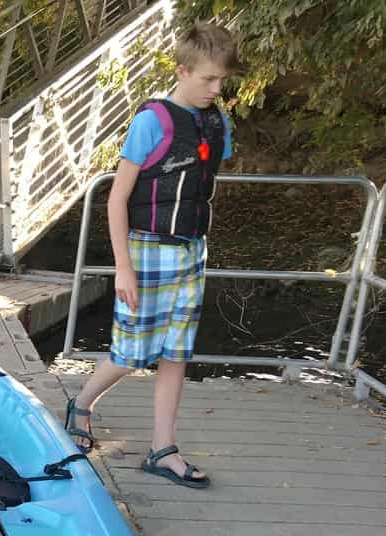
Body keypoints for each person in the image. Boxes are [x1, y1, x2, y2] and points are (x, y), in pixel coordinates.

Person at [64, 22, 243, 489]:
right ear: (182, 71)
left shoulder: (216, 122)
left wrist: (199, 240)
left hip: (191, 254)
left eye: (221, 79)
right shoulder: (152, 122)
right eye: (207, 79)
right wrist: (123, 266)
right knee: (131, 352)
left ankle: (163, 449)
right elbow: (117, 198)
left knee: (176, 354)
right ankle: (82, 404)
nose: (216, 88)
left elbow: (205, 187)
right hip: (145, 252)